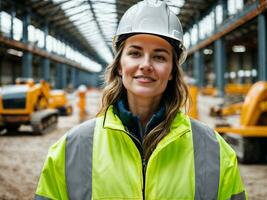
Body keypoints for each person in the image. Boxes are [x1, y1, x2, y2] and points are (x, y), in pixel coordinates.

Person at [35, 0, 247, 199]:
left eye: (159, 56)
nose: (146, 64)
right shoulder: (72, 148)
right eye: (135, 53)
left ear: (172, 70)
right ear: (120, 65)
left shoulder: (214, 150)